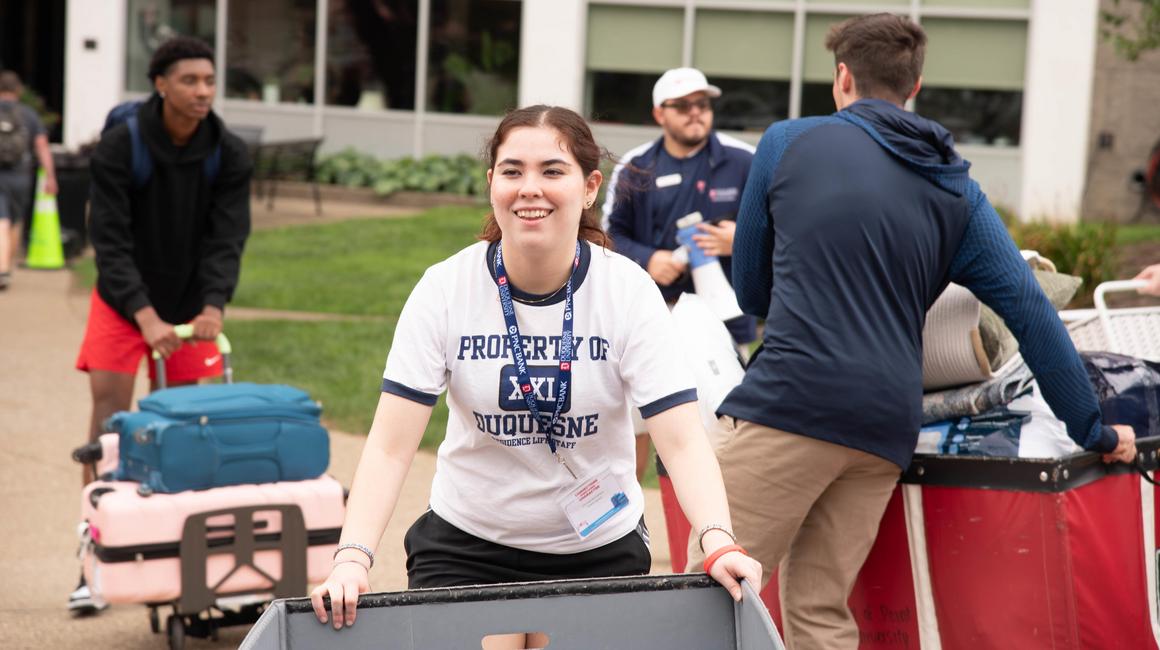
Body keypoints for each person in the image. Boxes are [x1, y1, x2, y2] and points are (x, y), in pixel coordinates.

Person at [696, 14, 1138, 650]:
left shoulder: (788, 143)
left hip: (791, 405)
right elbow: (1031, 311)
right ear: (916, 86)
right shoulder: (955, 188)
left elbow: (752, 291)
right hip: (883, 431)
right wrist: (1091, 427)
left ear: (842, 76)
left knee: (704, 595)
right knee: (820, 613)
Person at [308, 105, 762, 649]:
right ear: (491, 183)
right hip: (467, 544)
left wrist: (719, 541)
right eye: (512, 170)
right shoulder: (446, 288)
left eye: (552, 170)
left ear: (590, 186)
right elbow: (389, 446)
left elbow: (683, 442)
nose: (530, 188)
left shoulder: (627, 291)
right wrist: (352, 559)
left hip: (596, 549)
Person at [69, 36, 251, 614]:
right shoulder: (121, 148)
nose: (203, 91)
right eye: (190, 81)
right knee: (109, 424)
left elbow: (227, 239)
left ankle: (181, 563)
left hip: (190, 304)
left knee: (186, 428)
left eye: (209, 81)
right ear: (161, 84)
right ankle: (93, 563)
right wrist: (144, 316)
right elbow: (111, 243)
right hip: (124, 304)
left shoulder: (229, 151)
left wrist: (213, 307)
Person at [602, 67, 756, 480]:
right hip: (650, 314)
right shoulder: (636, 166)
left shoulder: (743, 160)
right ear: (659, 114)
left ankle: (713, 532)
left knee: (721, 429)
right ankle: (626, 532)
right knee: (630, 430)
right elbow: (608, 237)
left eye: (702, 104)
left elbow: (782, 228)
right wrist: (650, 259)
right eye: (683, 105)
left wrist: (739, 240)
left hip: (720, 319)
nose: (695, 113)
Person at [0, 70, 57, 290]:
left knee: (1, 221)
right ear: (19, 91)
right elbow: (42, 147)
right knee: (13, 222)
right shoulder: (29, 115)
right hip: (20, 176)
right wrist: (50, 176)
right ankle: (6, 267)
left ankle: (2, 267)